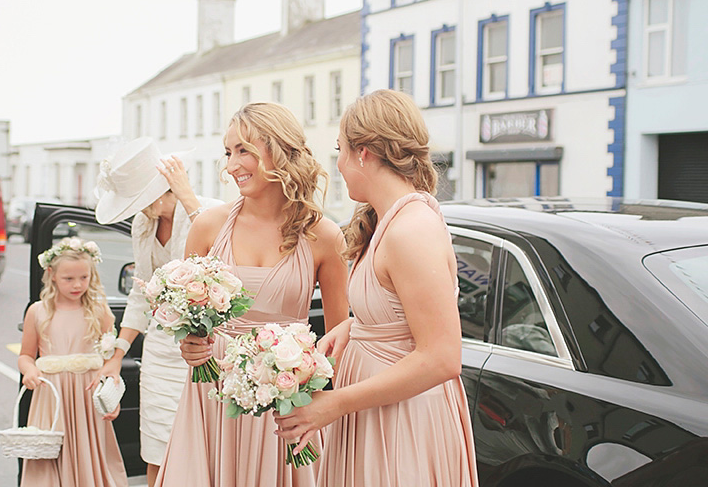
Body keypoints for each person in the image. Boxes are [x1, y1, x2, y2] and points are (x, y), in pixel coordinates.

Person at [274, 89, 478, 487]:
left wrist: (334, 404)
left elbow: (441, 357)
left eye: (341, 149)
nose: (338, 164)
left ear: (364, 153)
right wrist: (355, 327)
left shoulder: (411, 229)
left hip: (404, 423)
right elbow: (400, 313)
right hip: (376, 415)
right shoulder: (387, 222)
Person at [154, 101, 350, 487]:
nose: (232, 165)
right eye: (229, 152)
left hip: (286, 400)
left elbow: (338, 344)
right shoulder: (208, 227)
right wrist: (192, 345)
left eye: (244, 150)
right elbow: (192, 326)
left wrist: (330, 412)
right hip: (214, 397)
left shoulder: (324, 236)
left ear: (279, 149)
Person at [93, 136, 221, 487]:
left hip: (204, 350)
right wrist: (117, 354)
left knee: (204, 449)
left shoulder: (207, 209)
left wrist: (186, 195)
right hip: (159, 355)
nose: (136, 208)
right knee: (156, 450)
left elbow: (225, 270)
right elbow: (140, 293)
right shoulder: (142, 224)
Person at [18, 236, 129, 487]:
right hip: (51, 396)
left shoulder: (100, 311)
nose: (77, 285)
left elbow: (110, 361)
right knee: (49, 453)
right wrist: (29, 371)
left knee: (88, 450)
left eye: (84, 277)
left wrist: (112, 398)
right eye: (69, 279)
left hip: (87, 396)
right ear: (52, 275)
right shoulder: (37, 311)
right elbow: (26, 354)